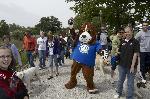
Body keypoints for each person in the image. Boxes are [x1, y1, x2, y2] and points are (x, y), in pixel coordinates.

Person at [114, 26, 140, 99]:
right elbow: (119, 52)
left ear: (132, 32)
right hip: (122, 65)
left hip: (131, 67)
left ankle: (129, 96)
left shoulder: (135, 42)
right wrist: (116, 57)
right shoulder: (122, 41)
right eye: (125, 32)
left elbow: (135, 54)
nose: (126, 33)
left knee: (130, 83)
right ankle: (118, 92)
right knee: (120, 80)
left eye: (128, 31)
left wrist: (132, 66)